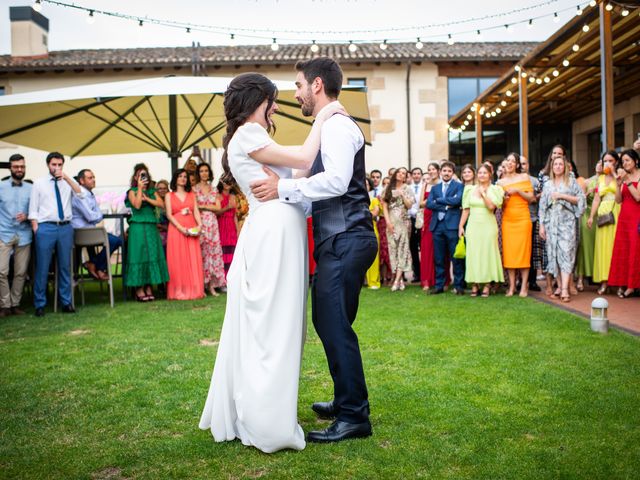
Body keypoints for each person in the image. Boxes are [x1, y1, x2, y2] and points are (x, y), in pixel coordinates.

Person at [199, 70, 348, 452]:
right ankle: (267, 421)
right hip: (273, 233)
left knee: (281, 322)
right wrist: (325, 116)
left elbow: (296, 171)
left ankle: (270, 408)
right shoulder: (248, 134)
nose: (277, 107)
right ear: (256, 102)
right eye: (271, 101)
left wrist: (286, 180)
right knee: (273, 325)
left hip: (282, 227)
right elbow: (304, 156)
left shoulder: (257, 138)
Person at [248, 57, 378, 444]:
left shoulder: (337, 126)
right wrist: (282, 198)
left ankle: (354, 416)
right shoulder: (328, 128)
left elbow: (337, 182)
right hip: (341, 240)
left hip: (346, 238)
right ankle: (346, 401)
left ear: (317, 85)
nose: (296, 93)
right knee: (333, 323)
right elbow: (317, 194)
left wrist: (283, 189)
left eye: (299, 85)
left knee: (332, 324)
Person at [28, 152, 83, 316]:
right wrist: (36, 228)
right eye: (54, 164)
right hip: (46, 228)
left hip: (65, 227)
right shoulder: (39, 183)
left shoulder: (67, 182)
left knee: (65, 266)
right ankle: (40, 304)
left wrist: (66, 178)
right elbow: (33, 209)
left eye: (60, 165)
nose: (57, 168)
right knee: (43, 267)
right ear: (48, 165)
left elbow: (80, 193)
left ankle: (66, 302)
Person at [538, 157, 585, 302]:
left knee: (566, 253)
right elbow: (542, 207)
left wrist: (562, 196)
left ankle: (564, 289)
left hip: (567, 223)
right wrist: (542, 226)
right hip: (551, 223)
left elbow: (581, 199)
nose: (558, 167)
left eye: (560, 164)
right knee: (555, 255)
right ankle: (560, 285)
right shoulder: (548, 184)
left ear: (565, 167)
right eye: (555, 164)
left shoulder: (571, 182)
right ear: (552, 167)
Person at [124, 164, 169, 302]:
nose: (143, 178)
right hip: (137, 226)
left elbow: (161, 204)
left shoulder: (152, 191)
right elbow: (137, 205)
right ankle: (139, 288)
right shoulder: (131, 191)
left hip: (150, 226)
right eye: (140, 175)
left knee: (151, 255)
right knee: (139, 256)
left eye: (145, 175)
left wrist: (148, 198)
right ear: (136, 177)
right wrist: (139, 189)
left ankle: (149, 286)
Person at [458, 163, 504, 297]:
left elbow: (491, 207)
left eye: (485, 172)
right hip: (473, 225)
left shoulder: (495, 189)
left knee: (487, 253)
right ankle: (475, 284)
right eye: (480, 173)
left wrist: (483, 193)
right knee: (474, 253)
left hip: (488, 225)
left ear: (490, 174)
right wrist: (461, 226)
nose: (482, 175)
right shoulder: (469, 189)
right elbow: (466, 209)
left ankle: (487, 284)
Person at [71, 169, 123, 281]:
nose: (93, 180)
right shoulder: (80, 195)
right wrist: (99, 215)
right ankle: (97, 266)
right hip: (82, 234)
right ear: (81, 180)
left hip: (90, 232)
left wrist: (97, 215)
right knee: (116, 240)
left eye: (93, 177)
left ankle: (94, 264)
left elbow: (95, 215)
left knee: (116, 240)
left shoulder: (89, 194)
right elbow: (92, 217)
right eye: (90, 178)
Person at [0, 154, 32, 316]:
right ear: (10, 168)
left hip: (24, 234)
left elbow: (36, 210)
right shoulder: (0, 186)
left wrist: (27, 216)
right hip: (3, 233)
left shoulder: (31, 188)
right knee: (1, 271)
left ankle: (15, 304)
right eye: (16, 167)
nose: (20, 170)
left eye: (22, 167)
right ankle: (4, 305)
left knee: (20, 272)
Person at [165, 169, 205, 300]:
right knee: (178, 258)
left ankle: (195, 289)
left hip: (191, 227)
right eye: (180, 176)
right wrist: (180, 228)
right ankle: (179, 290)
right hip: (176, 229)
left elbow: (196, 211)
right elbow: (169, 214)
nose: (183, 178)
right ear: (175, 178)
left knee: (193, 257)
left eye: (185, 177)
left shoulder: (191, 194)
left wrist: (199, 225)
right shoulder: (169, 196)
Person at [498, 152, 534, 297]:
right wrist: (505, 198)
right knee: (510, 253)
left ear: (518, 165)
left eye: (513, 161)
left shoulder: (524, 177)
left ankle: (524, 286)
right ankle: (512, 286)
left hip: (523, 218)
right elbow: (500, 205)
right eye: (508, 160)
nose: (510, 163)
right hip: (508, 219)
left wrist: (518, 191)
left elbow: (531, 198)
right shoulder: (500, 182)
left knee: (524, 252)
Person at [426, 161, 465, 294]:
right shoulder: (435, 188)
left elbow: (458, 200)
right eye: (444, 171)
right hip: (437, 226)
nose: (446, 173)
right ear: (440, 172)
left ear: (452, 173)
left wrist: (439, 200)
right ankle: (439, 286)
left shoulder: (459, 186)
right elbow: (429, 204)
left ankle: (459, 286)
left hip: (452, 226)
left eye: (449, 171)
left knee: (456, 258)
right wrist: (447, 204)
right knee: (439, 258)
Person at [587, 151, 621, 295]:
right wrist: (591, 216)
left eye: (611, 160)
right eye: (605, 161)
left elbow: (620, 195)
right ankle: (604, 281)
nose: (607, 163)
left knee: (615, 247)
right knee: (603, 248)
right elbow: (596, 199)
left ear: (616, 162)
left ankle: (619, 282)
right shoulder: (600, 178)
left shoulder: (619, 175)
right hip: (602, 213)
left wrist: (613, 174)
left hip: (616, 211)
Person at [607, 149, 640, 298]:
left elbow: (638, 197)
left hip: (637, 217)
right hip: (624, 217)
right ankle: (624, 283)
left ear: (636, 161)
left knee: (635, 250)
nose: (625, 163)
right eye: (623, 161)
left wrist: (627, 181)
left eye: (628, 160)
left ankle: (633, 286)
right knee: (625, 250)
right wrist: (618, 184)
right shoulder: (623, 177)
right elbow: (619, 200)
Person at [193, 163, 226, 296]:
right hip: (200, 223)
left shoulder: (214, 189)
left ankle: (211, 285)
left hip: (212, 224)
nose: (204, 173)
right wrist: (209, 205)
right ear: (198, 173)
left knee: (213, 253)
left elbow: (218, 208)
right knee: (202, 254)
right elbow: (195, 206)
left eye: (206, 171)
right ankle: (201, 285)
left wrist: (203, 206)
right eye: (201, 171)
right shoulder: (194, 190)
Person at [381, 167, 414, 291]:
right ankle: (399, 279)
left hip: (404, 222)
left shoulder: (407, 188)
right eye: (399, 172)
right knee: (393, 249)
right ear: (395, 174)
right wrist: (388, 222)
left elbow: (410, 205)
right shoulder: (387, 188)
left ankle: (396, 280)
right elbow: (384, 206)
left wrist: (402, 195)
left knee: (403, 249)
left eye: (404, 173)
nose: (401, 175)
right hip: (391, 222)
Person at [519, 156, 542, 292]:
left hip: (532, 218)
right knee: (519, 251)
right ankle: (519, 281)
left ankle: (532, 281)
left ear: (528, 165)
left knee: (532, 251)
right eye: (520, 164)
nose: (522, 166)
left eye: (524, 163)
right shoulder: (514, 180)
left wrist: (536, 197)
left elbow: (540, 196)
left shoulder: (534, 181)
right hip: (516, 219)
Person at [419, 162, 442, 292]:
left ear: (438, 171)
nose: (431, 171)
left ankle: (441, 279)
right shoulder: (426, 185)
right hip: (428, 218)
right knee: (427, 249)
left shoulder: (443, 184)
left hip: (440, 216)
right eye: (429, 169)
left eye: (433, 169)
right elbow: (421, 203)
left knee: (439, 249)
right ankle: (427, 279)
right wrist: (432, 200)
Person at [216, 179, 238, 277]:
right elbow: (216, 213)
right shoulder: (218, 196)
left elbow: (235, 216)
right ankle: (223, 277)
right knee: (223, 251)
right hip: (222, 224)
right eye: (225, 182)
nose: (227, 184)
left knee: (233, 251)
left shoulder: (234, 197)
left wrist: (238, 230)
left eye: (229, 182)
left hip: (231, 225)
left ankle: (231, 276)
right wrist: (227, 207)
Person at [407, 167, 423, 282]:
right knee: (413, 248)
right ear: (412, 176)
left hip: (422, 218)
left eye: (418, 173)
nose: (417, 175)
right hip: (411, 219)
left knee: (423, 247)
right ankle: (417, 273)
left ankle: (425, 273)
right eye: (415, 174)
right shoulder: (408, 188)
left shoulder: (425, 187)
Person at [365, 177, 381, 289]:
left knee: (374, 257)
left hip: (371, 229)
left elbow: (374, 213)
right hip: (356, 230)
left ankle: (373, 281)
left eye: (366, 184)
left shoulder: (374, 200)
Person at [154, 179, 170, 251]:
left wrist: (163, 227)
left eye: (164, 188)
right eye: (160, 188)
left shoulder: (171, 202)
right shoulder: (153, 202)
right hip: (155, 232)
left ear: (168, 190)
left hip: (169, 232)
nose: (162, 190)